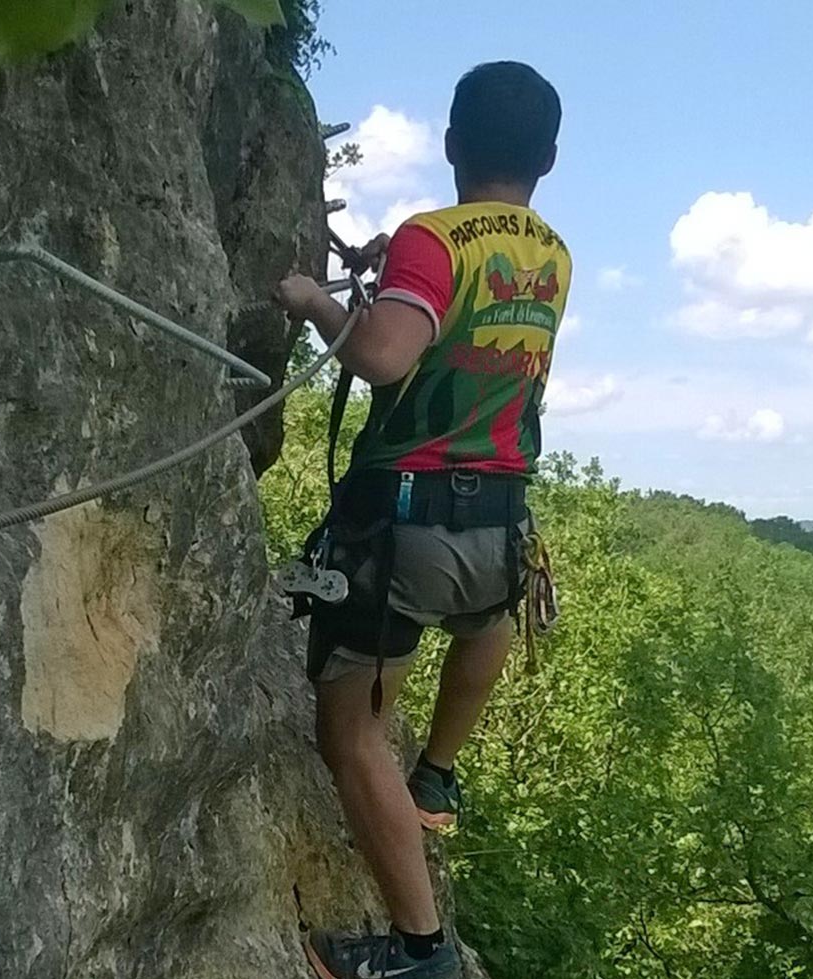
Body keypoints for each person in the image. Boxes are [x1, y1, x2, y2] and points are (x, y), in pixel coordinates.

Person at [272, 60, 569, 979]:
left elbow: (389, 356)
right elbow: (463, 326)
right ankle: (436, 773)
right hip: (499, 526)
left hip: (406, 523)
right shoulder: (551, 253)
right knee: (480, 629)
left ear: (450, 143)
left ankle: (419, 953)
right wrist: (393, 281)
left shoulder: (431, 239)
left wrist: (317, 301)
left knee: (349, 732)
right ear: (548, 159)